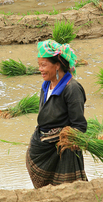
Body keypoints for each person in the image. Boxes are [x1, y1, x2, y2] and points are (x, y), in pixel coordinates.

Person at [26, 39, 88, 189]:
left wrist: (64, 136)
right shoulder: (47, 84)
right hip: (43, 146)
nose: (40, 69)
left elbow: (79, 126)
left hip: (62, 152)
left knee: (67, 190)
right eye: (39, 65)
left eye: (44, 65)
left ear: (57, 65)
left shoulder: (72, 89)